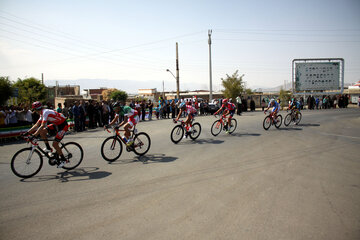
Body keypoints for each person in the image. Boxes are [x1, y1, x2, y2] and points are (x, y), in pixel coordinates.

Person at [23, 101, 69, 168]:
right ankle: (48, 148)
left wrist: (34, 135)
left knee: (55, 144)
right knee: (42, 132)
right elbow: (37, 125)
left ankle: (64, 160)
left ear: (35, 109)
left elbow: (41, 126)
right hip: (56, 124)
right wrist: (27, 132)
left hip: (63, 126)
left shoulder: (45, 112)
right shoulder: (42, 113)